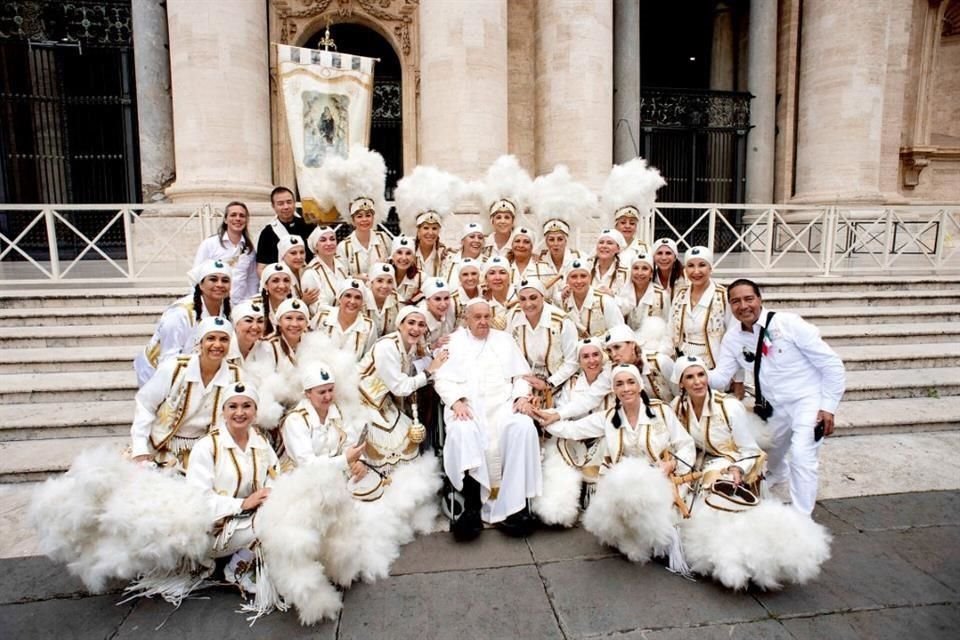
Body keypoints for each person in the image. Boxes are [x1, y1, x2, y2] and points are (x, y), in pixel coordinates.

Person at [708, 279, 846, 515]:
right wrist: (684, 371)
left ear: (759, 299)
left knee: (802, 456)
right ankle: (778, 473)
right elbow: (721, 378)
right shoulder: (733, 337)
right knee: (766, 450)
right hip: (773, 408)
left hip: (807, 402)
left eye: (748, 299)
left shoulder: (788, 324)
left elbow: (832, 364)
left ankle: (802, 518)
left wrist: (828, 406)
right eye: (736, 301)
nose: (743, 306)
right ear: (730, 305)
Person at [543, 364, 697, 569]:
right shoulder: (608, 418)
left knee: (667, 527)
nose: (626, 389)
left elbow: (685, 444)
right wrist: (547, 417)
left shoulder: (661, 410)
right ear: (614, 390)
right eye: (620, 384)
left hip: (662, 477)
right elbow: (573, 430)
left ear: (640, 385)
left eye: (631, 382)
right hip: (625, 487)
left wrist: (672, 463)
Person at [434, 299, 543, 541]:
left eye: (487, 316)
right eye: (477, 317)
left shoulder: (503, 340)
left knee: (523, 427)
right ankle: (472, 508)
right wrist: (455, 402)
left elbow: (522, 376)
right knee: (463, 432)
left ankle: (517, 508)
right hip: (469, 407)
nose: (483, 321)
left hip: (503, 406)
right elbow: (440, 378)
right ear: (466, 319)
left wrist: (522, 397)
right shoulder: (454, 342)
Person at [185, 382, 280, 596]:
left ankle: (250, 558)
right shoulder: (207, 447)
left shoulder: (261, 443)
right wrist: (242, 504)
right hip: (214, 530)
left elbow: (275, 477)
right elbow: (197, 501)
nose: (240, 412)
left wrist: (269, 497)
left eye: (247, 406)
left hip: (249, 520)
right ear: (223, 411)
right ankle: (235, 570)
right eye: (233, 406)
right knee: (270, 523)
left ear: (255, 411)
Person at [130, 316, 242, 469]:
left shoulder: (235, 376)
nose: (217, 344)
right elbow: (145, 403)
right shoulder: (175, 368)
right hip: (160, 445)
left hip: (205, 450)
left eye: (224, 339)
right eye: (210, 338)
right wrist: (140, 448)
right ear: (200, 342)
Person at [357, 306, 447, 476]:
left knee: (408, 440)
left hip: (383, 403)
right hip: (361, 402)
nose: (416, 328)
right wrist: (429, 371)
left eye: (421, 325)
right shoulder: (387, 346)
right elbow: (400, 387)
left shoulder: (410, 345)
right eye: (411, 323)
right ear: (400, 325)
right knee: (388, 444)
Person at [670, 356, 764, 491]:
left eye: (701, 375)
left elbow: (750, 450)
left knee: (714, 488)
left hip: (730, 461)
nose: (697, 382)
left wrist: (738, 468)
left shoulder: (729, 406)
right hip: (694, 460)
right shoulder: (677, 406)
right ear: (680, 383)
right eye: (690, 377)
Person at [134, 259, 232, 387]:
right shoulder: (180, 314)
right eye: (213, 279)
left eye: (225, 280)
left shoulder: (227, 309)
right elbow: (169, 359)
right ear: (200, 285)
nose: (219, 284)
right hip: (156, 372)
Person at [279, 364, 366, 474]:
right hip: (304, 483)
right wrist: (345, 460)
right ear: (308, 393)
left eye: (330, 390)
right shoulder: (296, 420)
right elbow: (307, 465)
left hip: (336, 478)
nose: (328, 396)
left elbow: (349, 445)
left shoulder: (338, 412)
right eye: (322, 392)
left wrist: (358, 462)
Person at [505, 278, 579, 407]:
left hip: (559, 380)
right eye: (522, 299)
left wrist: (549, 382)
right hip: (526, 379)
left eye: (533, 298)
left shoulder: (562, 321)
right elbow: (509, 355)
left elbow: (572, 361)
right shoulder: (513, 316)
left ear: (543, 296)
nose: (528, 304)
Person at [669, 246, 733, 376]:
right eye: (691, 266)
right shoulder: (680, 294)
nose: (696, 271)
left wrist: (738, 379)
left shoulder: (723, 296)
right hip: (683, 360)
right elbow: (670, 328)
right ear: (685, 270)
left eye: (702, 265)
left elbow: (734, 337)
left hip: (714, 363)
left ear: (710, 268)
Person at [328, 147, 391, 276]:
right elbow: (341, 276)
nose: (364, 220)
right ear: (352, 219)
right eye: (359, 216)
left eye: (368, 215)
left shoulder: (384, 239)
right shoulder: (344, 247)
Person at [395, 165, 463, 279]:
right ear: (418, 230)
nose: (430, 233)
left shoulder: (446, 255)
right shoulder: (406, 252)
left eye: (434, 228)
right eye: (426, 228)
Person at [600, 158, 666, 264]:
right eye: (623, 222)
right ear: (615, 224)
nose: (627, 226)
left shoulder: (644, 249)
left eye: (632, 223)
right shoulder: (605, 245)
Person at [193, 201, 258, 304]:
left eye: (242, 216)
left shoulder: (249, 250)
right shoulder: (210, 244)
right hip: (215, 303)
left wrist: (250, 302)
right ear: (225, 220)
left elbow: (252, 279)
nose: (238, 219)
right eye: (233, 215)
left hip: (239, 305)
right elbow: (196, 275)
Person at [529, 164, 589, 274]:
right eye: (551, 239)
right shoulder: (537, 261)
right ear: (546, 241)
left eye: (560, 239)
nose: (556, 244)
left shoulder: (580, 258)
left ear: (566, 240)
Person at [604, 324, 674, 403]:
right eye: (609, 351)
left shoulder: (660, 362)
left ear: (632, 345)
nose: (613, 354)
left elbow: (681, 394)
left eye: (617, 347)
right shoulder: (612, 370)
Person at [256, 186, 316, 276]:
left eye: (289, 202)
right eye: (280, 204)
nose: (286, 207)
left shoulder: (308, 225)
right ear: (273, 206)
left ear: (294, 203)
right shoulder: (267, 233)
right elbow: (262, 268)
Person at [311, 279, 377, 360]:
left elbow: (368, 359)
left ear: (363, 302)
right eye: (348, 296)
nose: (352, 301)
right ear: (339, 298)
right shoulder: (322, 317)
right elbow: (309, 348)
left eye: (357, 297)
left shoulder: (368, 326)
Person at [480, 155, 532, 258]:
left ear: (513, 220)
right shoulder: (481, 244)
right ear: (492, 220)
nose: (503, 221)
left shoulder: (523, 243)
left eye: (507, 217)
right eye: (498, 217)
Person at [560, 258, 625, 339]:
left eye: (583, 276)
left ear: (590, 278)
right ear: (567, 280)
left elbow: (620, 332)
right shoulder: (564, 302)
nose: (579, 281)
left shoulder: (605, 301)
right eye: (574, 277)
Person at [617, 251, 668, 332]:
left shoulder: (662, 296)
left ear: (651, 273)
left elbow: (667, 324)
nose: (639, 273)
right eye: (636, 268)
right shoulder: (621, 292)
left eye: (645, 268)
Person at [303, 225, 347, 311]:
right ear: (315, 246)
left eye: (332, 239)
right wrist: (344, 313)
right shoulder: (311, 273)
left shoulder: (341, 265)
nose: (329, 243)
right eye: (323, 240)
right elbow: (317, 307)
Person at [277, 235, 321, 312]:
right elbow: (281, 310)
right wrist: (303, 302)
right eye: (293, 253)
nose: (299, 257)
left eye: (302, 252)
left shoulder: (308, 271)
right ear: (283, 256)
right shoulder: (278, 277)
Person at [256, 262, 296, 337]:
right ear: (265, 285)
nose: (282, 286)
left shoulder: (294, 305)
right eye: (275, 281)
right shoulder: (255, 306)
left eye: (286, 280)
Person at [418, 278, 457, 350]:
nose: (443, 304)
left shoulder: (452, 308)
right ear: (427, 301)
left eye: (446, 298)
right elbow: (416, 353)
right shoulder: (419, 319)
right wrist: (434, 346)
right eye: (437, 299)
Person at [588, 228, 628, 294]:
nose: (604, 246)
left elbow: (628, 302)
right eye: (601, 242)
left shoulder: (625, 273)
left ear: (618, 249)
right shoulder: (587, 267)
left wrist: (612, 295)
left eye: (609, 243)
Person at [480, 255, 516, 330]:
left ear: (509, 276)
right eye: (492, 273)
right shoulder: (482, 303)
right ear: (486, 279)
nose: (497, 277)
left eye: (502, 273)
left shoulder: (523, 297)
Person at [652, 237, 686, 316]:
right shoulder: (649, 277)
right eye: (659, 253)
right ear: (653, 257)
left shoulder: (686, 277)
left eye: (668, 253)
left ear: (675, 257)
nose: (664, 258)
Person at [365, 262, 400, 336]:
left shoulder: (398, 301)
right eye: (380, 281)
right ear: (371, 282)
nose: (385, 286)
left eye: (389, 282)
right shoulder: (361, 300)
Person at [227, 300, 265, 365]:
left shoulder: (266, 349)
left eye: (260, 321)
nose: (255, 327)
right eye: (248, 321)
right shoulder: (224, 350)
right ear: (235, 324)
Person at [388, 235, 422, 304]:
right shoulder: (382, 274)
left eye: (408, 253)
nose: (404, 258)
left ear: (413, 258)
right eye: (399, 253)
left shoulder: (421, 278)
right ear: (392, 256)